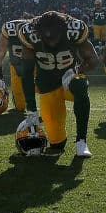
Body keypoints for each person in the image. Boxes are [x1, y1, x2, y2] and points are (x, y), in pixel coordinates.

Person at [16, 11, 98, 158]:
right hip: (47, 84)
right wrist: (31, 109)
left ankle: (81, 142)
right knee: (56, 142)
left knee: (80, 84)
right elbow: (27, 73)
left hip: (69, 79)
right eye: (47, 39)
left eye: (54, 38)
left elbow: (93, 60)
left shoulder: (74, 30)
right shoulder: (30, 33)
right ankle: (58, 140)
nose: (51, 42)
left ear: (63, 30)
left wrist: (77, 70)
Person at [0, 17, 30, 113]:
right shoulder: (9, 30)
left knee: (47, 90)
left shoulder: (37, 28)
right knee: (20, 107)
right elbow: (0, 52)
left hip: (36, 66)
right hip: (16, 66)